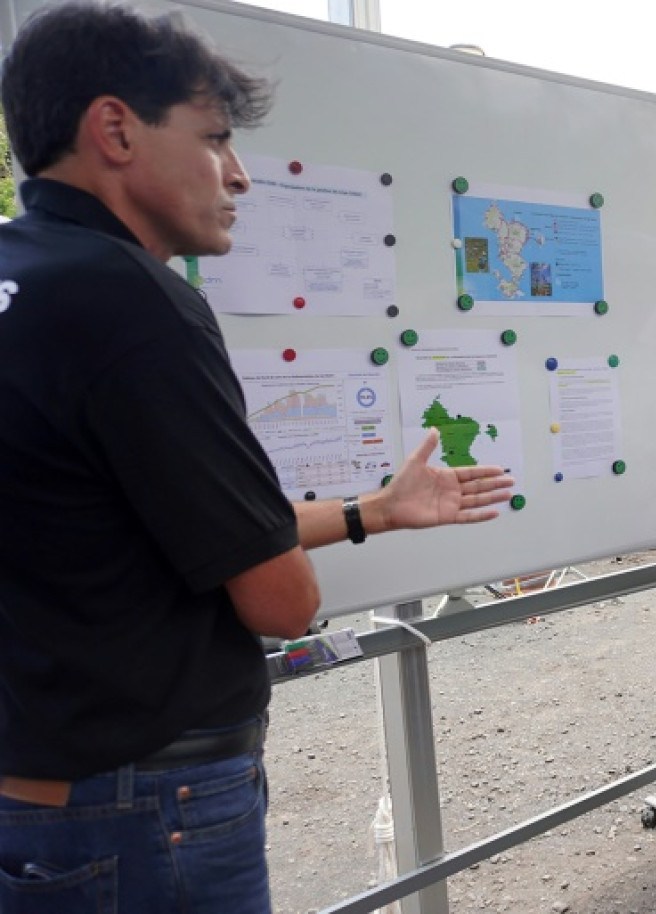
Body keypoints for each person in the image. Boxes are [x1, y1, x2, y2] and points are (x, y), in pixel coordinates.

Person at [0, 5, 513, 912]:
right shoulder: (132, 301)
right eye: (214, 139)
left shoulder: (26, 277)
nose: (238, 175)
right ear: (115, 128)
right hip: (149, 805)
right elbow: (279, 599)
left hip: (38, 792)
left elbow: (157, 533)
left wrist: (376, 509)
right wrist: (296, 557)